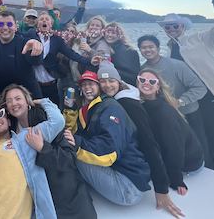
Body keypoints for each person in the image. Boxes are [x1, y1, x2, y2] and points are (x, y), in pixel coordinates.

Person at [159, 0, 214, 178]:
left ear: (183, 26)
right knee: (203, 145)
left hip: (212, 100)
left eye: (175, 26)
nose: (171, 29)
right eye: (167, 27)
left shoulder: (202, 39)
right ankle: (212, 181)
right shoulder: (169, 51)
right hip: (190, 104)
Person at [96, 62, 184, 218]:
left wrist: (161, 188)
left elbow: (149, 143)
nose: (107, 85)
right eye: (102, 81)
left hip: (141, 167)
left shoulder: (128, 104)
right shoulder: (126, 94)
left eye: (111, 80)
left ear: (119, 81)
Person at [0, 84, 97, 219]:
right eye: (9, 101)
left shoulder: (44, 117)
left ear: (27, 101)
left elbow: (68, 159)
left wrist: (42, 147)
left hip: (66, 195)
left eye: (18, 98)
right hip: (39, 196)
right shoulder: (11, 131)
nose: (14, 103)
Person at [63, 71, 151, 206]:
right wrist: (70, 109)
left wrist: (76, 143)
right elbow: (72, 130)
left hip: (128, 187)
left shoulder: (110, 107)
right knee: (72, 146)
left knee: (71, 153)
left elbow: (109, 151)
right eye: (84, 85)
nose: (87, 88)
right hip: (121, 174)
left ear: (99, 87)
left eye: (91, 84)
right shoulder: (88, 109)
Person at [138, 34, 210, 168]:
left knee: (199, 147)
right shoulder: (143, 70)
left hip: (189, 113)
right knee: (174, 146)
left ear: (158, 48)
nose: (147, 50)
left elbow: (200, 88)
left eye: (151, 47)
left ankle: (209, 172)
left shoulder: (176, 65)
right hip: (166, 117)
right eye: (143, 48)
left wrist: (180, 101)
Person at [138, 68, 204, 195]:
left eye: (151, 81)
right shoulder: (144, 104)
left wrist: (176, 179)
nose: (146, 83)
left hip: (189, 163)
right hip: (173, 154)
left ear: (158, 87)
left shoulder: (164, 113)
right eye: (142, 80)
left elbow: (175, 146)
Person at [30, 11, 97, 105]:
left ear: (51, 24)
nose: (44, 21)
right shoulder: (30, 36)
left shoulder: (57, 40)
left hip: (52, 83)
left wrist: (89, 61)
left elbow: (71, 54)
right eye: (41, 19)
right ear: (37, 24)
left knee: (54, 108)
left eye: (47, 19)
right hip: (35, 84)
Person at [70, 15, 111, 81]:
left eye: (97, 26)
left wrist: (89, 50)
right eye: (92, 25)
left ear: (102, 29)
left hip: (93, 79)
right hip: (80, 77)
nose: (94, 27)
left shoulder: (102, 43)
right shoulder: (85, 39)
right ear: (88, 27)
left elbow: (105, 58)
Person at [103, 22, 140, 86]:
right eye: (108, 32)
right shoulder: (104, 48)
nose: (110, 35)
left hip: (126, 87)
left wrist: (109, 70)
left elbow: (134, 76)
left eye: (113, 33)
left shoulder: (129, 51)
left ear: (120, 35)